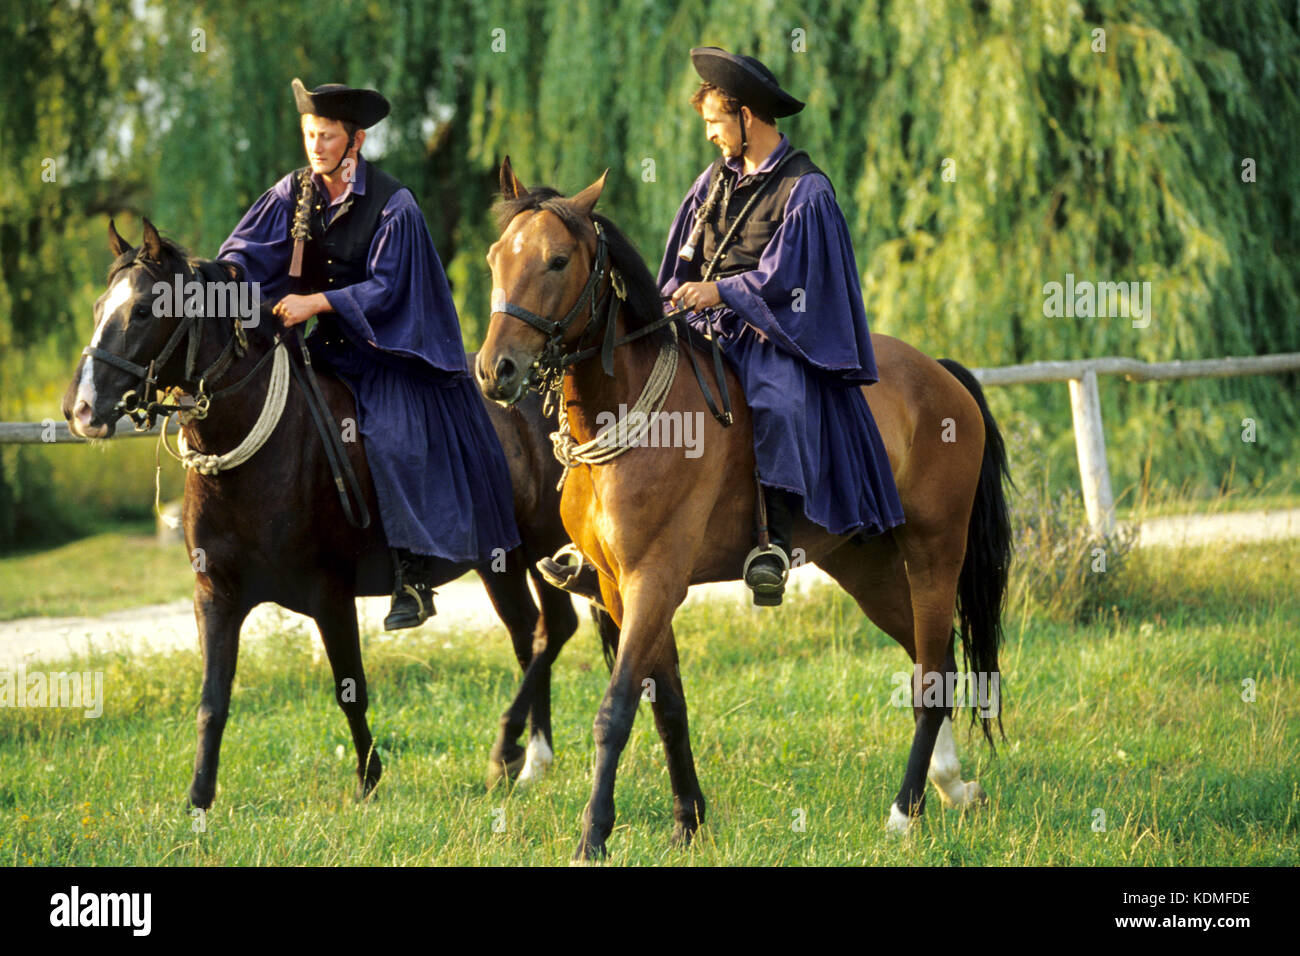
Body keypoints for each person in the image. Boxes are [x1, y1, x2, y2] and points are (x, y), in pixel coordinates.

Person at [217, 78, 519, 629]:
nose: (316, 146)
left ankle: (412, 577)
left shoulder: (394, 205)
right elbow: (245, 250)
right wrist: (229, 276)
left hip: (387, 354)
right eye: (310, 134)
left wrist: (316, 302)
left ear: (354, 141)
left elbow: (388, 289)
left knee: (393, 440)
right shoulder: (292, 192)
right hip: (321, 354)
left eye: (327, 136)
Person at [658, 47, 905, 605]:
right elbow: (681, 261)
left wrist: (720, 291)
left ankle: (772, 543)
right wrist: (670, 301)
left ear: (746, 117)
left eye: (714, 123)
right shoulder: (712, 181)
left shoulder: (807, 191)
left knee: (778, 402)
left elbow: (792, 285)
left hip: (773, 332)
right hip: (703, 324)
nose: (710, 137)